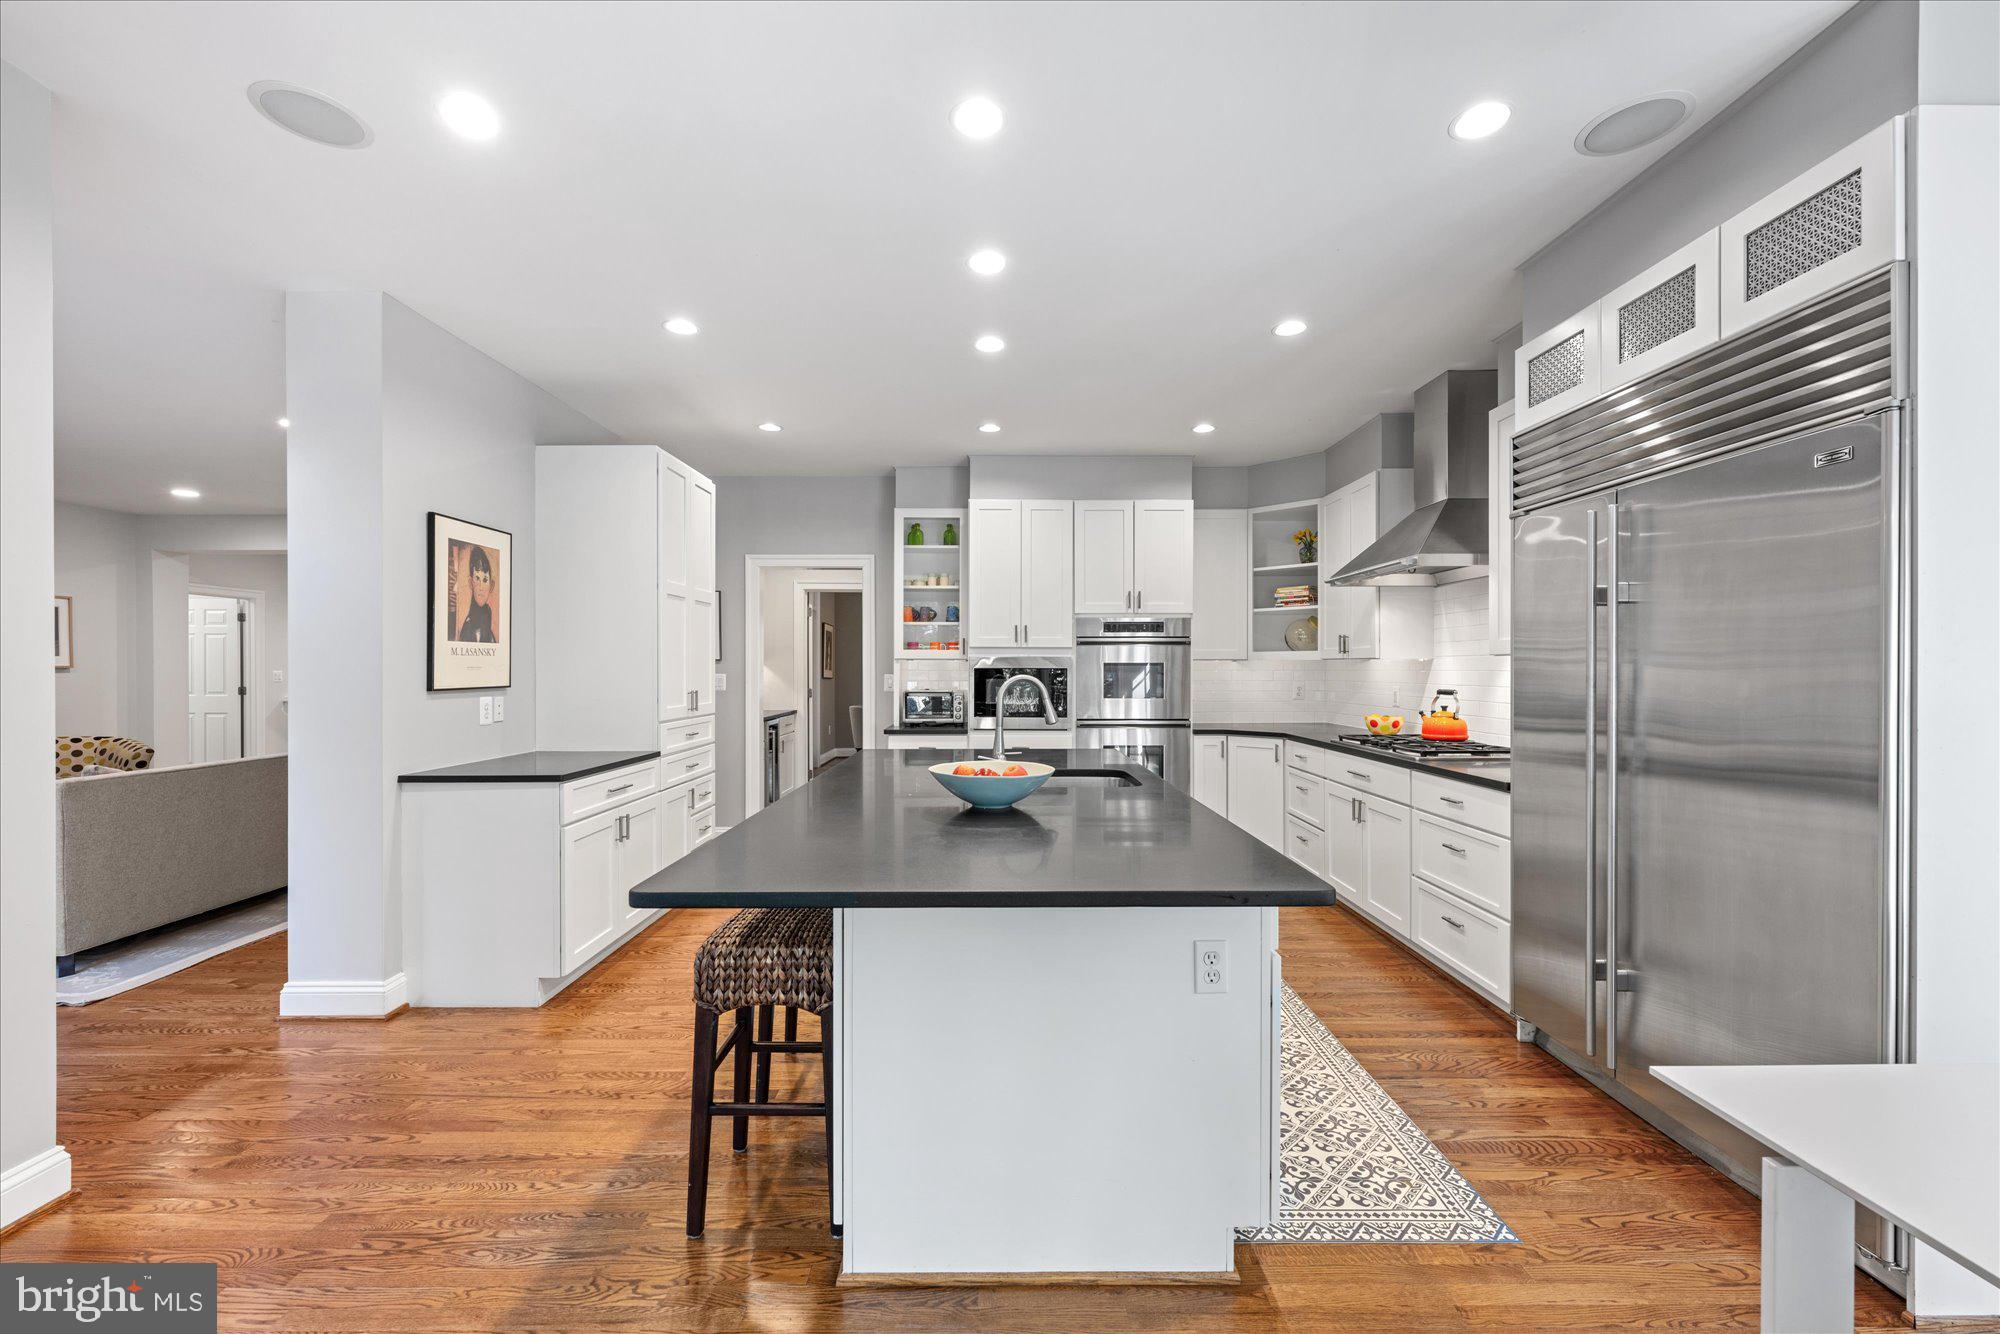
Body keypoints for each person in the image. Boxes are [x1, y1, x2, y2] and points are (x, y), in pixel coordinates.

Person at [455, 545, 498, 643]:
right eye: (477, 579)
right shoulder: (469, 626)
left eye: (485, 580)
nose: (481, 587)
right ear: (471, 583)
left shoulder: (488, 620)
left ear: (491, 585)